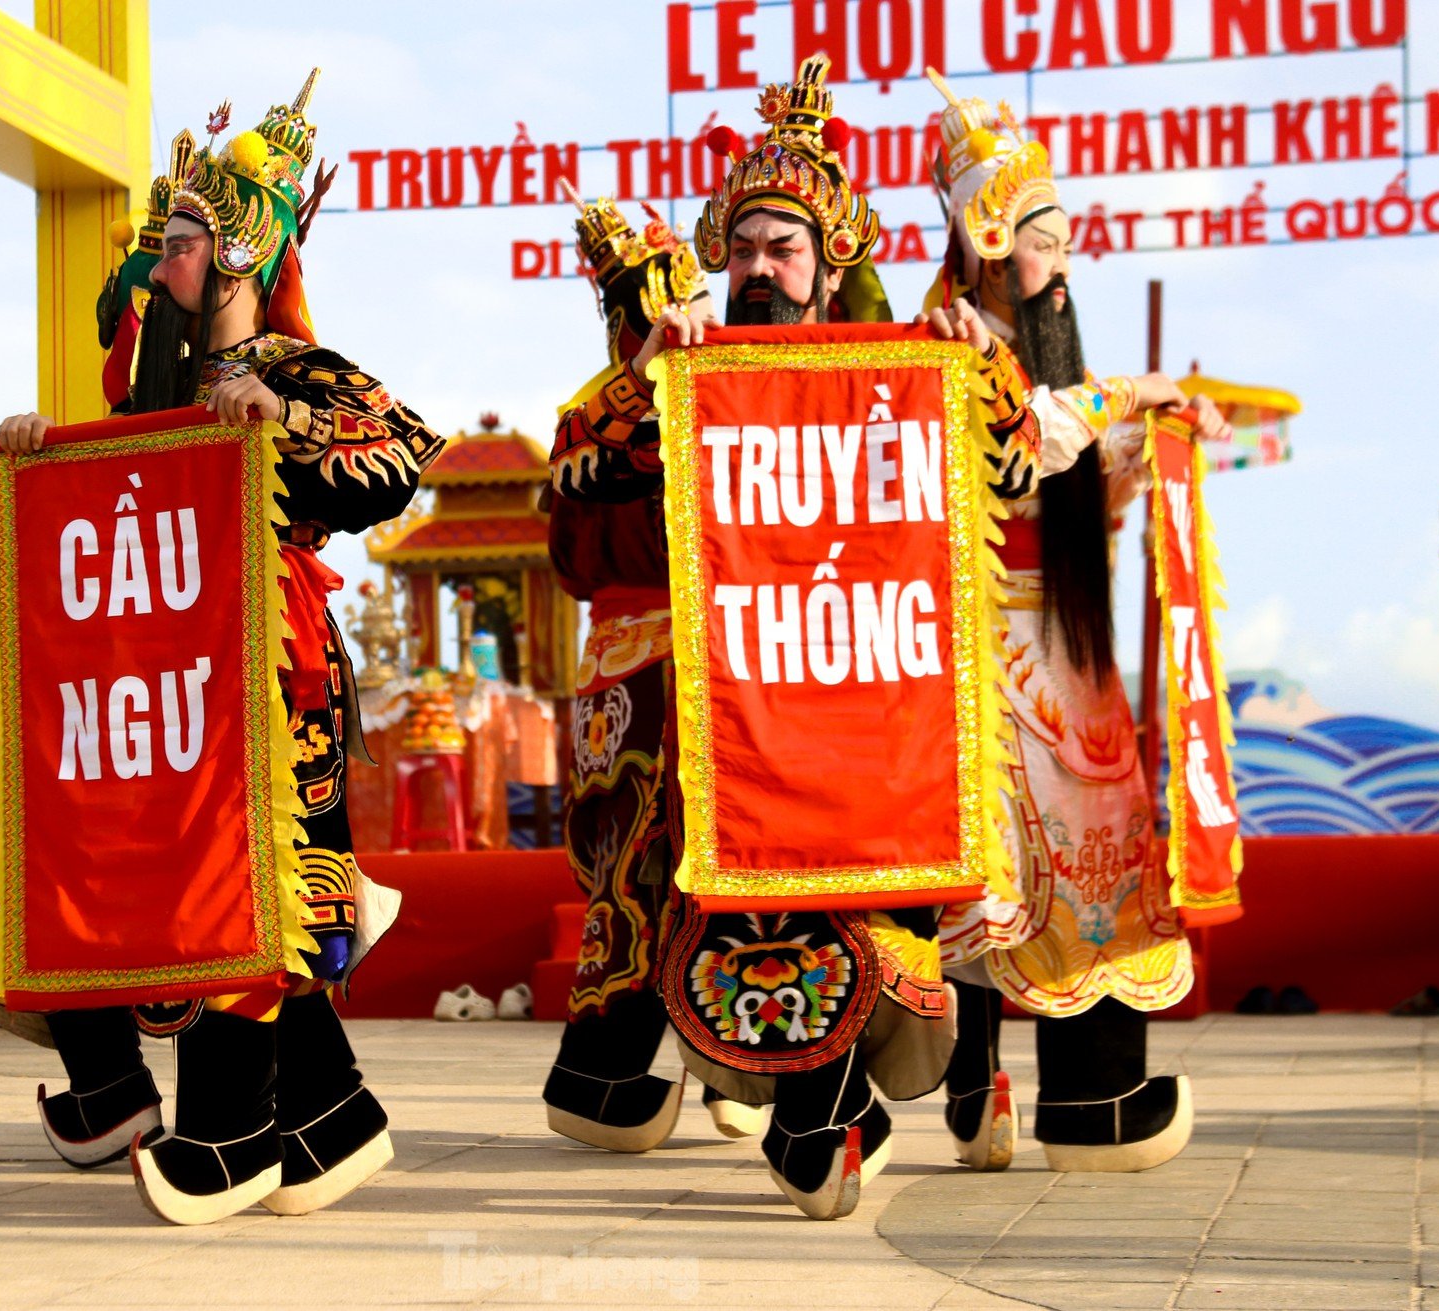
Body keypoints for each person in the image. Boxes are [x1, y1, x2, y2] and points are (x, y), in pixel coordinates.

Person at [582, 55, 1044, 1219]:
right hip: (739, 718)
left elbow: (1016, 465)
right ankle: (817, 1115)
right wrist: (649, 380)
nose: (753, 272)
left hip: (867, 705)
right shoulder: (686, 369)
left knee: (858, 915)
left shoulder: (906, 369)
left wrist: (965, 359)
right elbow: (582, 485)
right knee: (756, 922)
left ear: (831, 262)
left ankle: (827, 1114)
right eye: (739, 250)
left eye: (780, 249)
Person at [0, 73, 446, 1224]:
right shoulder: (148, 391)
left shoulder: (301, 373)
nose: (159, 260)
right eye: (161, 240)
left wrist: (277, 423)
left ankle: (232, 1136)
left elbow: (395, 461)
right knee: (171, 888)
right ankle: (330, 1121)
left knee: (253, 891)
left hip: (274, 665)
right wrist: (47, 450)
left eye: (184, 239)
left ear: (245, 251)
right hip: (163, 682)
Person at [917, 69, 1232, 1174]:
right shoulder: (950, 337)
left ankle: (1075, 1096)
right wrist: (1136, 393)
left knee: (1087, 857)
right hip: (989, 644)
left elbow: (1075, 470)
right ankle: (1002, 1087)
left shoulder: (1049, 358)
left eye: (1063, 234)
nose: (1061, 256)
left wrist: (1158, 438)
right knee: (1009, 869)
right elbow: (1013, 454)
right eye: (1044, 234)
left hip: (1066, 643)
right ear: (991, 236)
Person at [541, 191, 765, 1151]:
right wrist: (649, 384)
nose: (660, 304)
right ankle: (610, 1072)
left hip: (703, 655)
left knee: (711, 864)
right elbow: (577, 534)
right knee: (629, 868)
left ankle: (723, 1068)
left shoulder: (713, 383)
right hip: (636, 668)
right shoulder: (603, 408)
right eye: (634, 291)